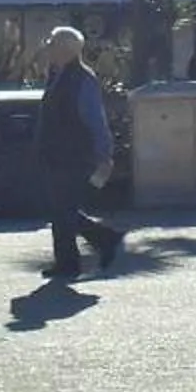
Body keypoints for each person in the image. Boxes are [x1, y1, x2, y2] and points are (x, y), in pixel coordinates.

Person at [35, 24, 124, 277]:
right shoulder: (56, 74)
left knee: (64, 209)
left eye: (52, 45)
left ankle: (98, 243)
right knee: (60, 208)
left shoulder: (82, 79)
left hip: (74, 154)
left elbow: (95, 119)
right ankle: (72, 258)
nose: (48, 49)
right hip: (55, 153)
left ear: (65, 49)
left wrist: (104, 155)